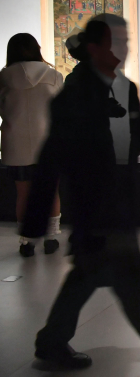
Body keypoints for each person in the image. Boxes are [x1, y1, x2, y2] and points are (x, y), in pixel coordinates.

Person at [20, 19, 140, 374]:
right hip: (96, 208)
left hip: (118, 204)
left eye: (125, 40)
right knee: (128, 283)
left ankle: (51, 343)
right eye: (116, 41)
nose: (123, 48)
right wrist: (35, 219)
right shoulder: (74, 95)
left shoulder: (124, 88)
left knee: (88, 276)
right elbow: (52, 157)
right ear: (94, 47)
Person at [1, 33, 64, 257]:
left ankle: (27, 242)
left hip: (15, 142)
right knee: (52, 191)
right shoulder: (54, 75)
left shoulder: (4, 77)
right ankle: (51, 238)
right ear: (36, 49)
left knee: (23, 193)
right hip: (48, 142)